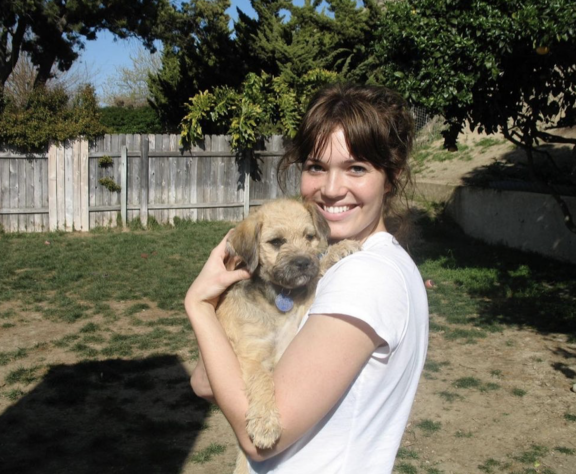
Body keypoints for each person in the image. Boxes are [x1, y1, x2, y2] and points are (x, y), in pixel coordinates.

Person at [184, 83, 429, 473]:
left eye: (357, 168)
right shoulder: (372, 264)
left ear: (391, 176)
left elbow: (260, 440)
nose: (331, 190)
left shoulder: (364, 276)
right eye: (316, 166)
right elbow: (203, 380)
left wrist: (198, 305)